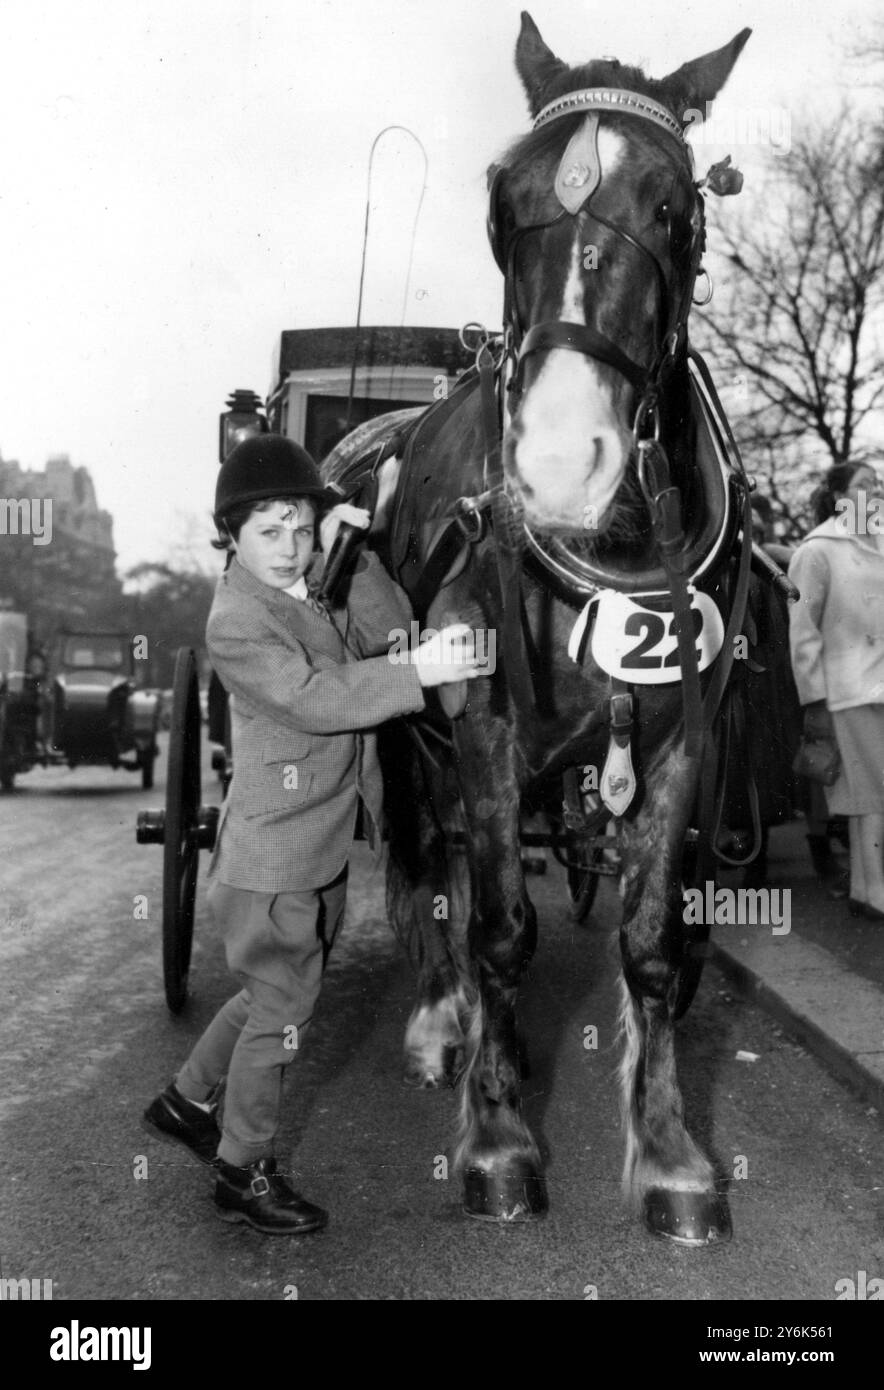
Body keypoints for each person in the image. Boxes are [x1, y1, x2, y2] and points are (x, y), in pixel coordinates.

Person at [142, 435, 489, 1234]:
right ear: (231, 535)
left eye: (301, 527)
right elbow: (318, 698)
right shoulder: (238, 620)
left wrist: (354, 552)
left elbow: (373, 630)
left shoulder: (301, 590)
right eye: (269, 531)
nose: (289, 545)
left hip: (312, 845)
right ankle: (242, 1171)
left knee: (271, 993)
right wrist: (422, 674)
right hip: (276, 857)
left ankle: (186, 1100)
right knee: (281, 1010)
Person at [788, 461, 884, 920]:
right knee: (868, 793)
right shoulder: (818, 550)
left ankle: (868, 891)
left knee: (873, 795)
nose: (878, 490)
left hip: (880, 683)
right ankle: (873, 890)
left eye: (879, 483)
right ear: (841, 496)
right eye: (866, 484)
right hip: (847, 688)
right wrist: (814, 698)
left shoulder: (879, 542)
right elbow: (802, 629)